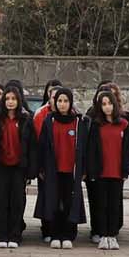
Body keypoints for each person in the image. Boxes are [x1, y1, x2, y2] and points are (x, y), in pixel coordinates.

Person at [75, 88, 129, 250]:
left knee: (114, 204)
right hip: (100, 172)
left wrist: (126, 170)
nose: (107, 107)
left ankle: (112, 235)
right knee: (101, 204)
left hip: (116, 172)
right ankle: (102, 234)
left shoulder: (124, 125)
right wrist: (91, 170)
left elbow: (128, 150)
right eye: (104, 104)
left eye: (109, 104)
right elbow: (91, 150)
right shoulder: (95, 125)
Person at [34, 87, 84, 248]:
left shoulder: (78, 122)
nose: (62, 104)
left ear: (70, 103)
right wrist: (40, 168)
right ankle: (55, 234)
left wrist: (84, 170)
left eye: (66, 101)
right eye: (60, 101)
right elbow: (42, 146)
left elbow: (84, 148)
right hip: (53, 170)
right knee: (54, 203)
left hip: (71, 171)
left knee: (69, 203)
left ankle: (68, 234)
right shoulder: (49, 120)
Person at [0, 86, 35, 248]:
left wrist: (31, 169)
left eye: (13, 99)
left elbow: (31, 146)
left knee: (17, 202)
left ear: (19, 101)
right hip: (0, 166)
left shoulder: (26, 120)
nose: (10, 102)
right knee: (1, 202)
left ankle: (15, 235)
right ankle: (1, 235)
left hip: (18, 167)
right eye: (7, 99)